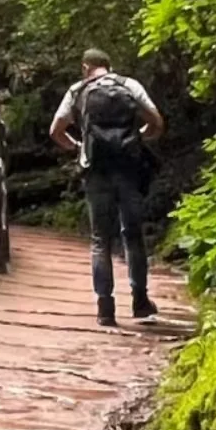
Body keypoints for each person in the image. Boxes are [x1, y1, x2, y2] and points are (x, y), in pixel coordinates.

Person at [50, 47, 164, 328]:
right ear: (109, 65)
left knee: (101, 240)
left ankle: (105, 309)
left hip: (96, 171)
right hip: (128, 168)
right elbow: (156, 122)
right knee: (133, 235)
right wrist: (138, 137)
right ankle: (140, 301)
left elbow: (56, 130)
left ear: (85, 67)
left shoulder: (78, 91)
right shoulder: (129, 85)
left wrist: (78, 147)